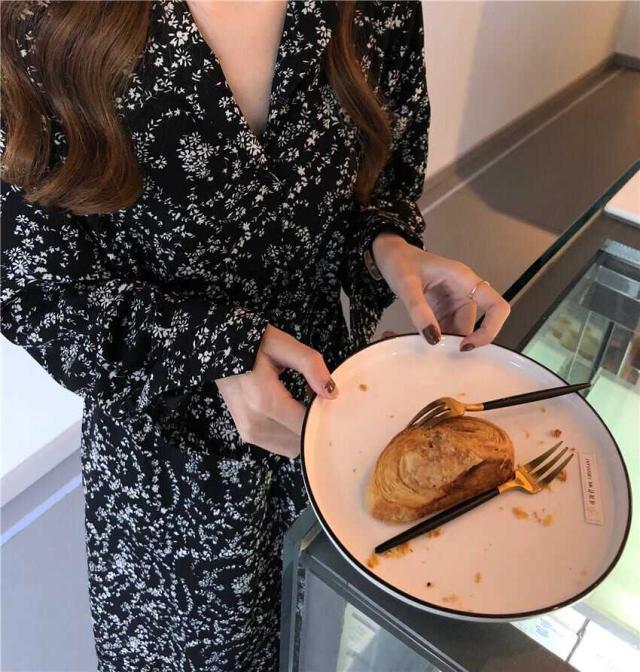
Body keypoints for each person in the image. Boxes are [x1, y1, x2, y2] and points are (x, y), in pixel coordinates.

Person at [0, 1, 510, 670]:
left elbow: (382, 172)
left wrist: (388, 246)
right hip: (170, 474)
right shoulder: (44, 17)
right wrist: (213, 347)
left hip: (334, 418)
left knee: (323, 642)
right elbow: (33, 286)